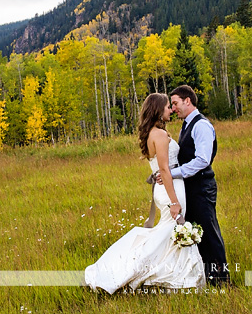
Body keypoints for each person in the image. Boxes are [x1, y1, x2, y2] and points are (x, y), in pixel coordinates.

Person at [84, 93, 205, 293]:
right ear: (158, 110)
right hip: (170, 189)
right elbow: (165, 170)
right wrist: (174, 202)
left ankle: (175, 276)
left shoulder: (153, 133)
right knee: (171, 231)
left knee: (168, 232)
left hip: (164, 188)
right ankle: (149, 274)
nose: (171, 110)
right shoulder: (159, 134)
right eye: (168, 107)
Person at [160, 84, 229, 285]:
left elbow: (202, 160)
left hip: (202, 187)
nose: (173, 109)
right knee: (197, 233)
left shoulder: (201, 125)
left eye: (175, 103)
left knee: (209, 233)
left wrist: (171, 174)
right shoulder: (187, 124)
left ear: (187, 100)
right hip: (191, 188)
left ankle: (222, 280)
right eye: (171, 105)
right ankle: (208, 277)